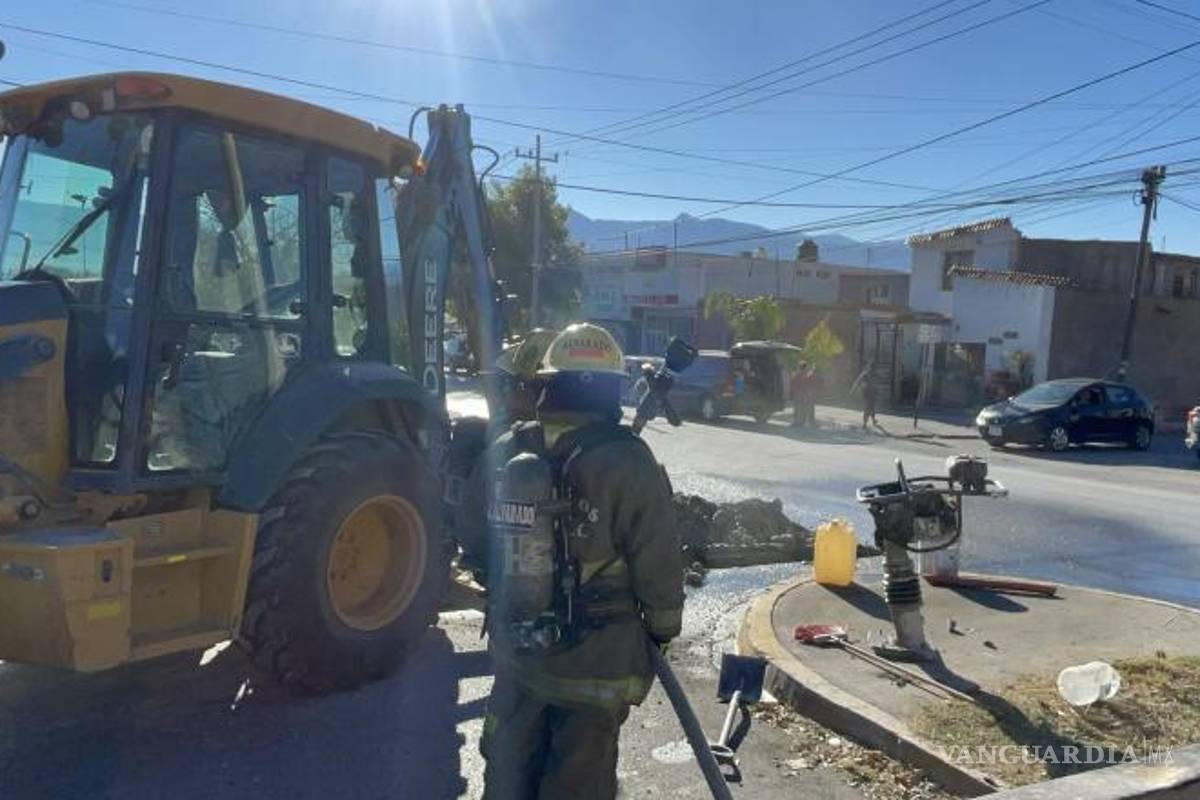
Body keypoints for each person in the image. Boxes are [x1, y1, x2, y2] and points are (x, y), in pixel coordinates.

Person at [481, 322, 683, 800]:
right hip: (595, 664)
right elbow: (658, 559)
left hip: (519, 652)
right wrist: (662, 629)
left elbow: (473, 534)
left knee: (510, 772)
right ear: (612, 389)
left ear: (548, 383)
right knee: (578, 782)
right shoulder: (629, 460)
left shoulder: (509, 447)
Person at [456, 328, 558, 580]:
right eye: (505, 385)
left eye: (510, 385)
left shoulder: (505, 446)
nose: (505, 394)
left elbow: (471, 531)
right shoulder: (515, 445)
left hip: (505, 580)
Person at [851, 361, 879, 430]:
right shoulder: (866, 374)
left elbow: (857, 382)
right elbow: (858, 382)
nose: (873, 369)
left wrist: (853, 390)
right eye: (873, 367)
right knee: (869, 407)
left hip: (869, 393)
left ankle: (872, 420)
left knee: (870, 407)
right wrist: (853, 390)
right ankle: (865, 423)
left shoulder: (866, 374)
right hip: (868, 393)